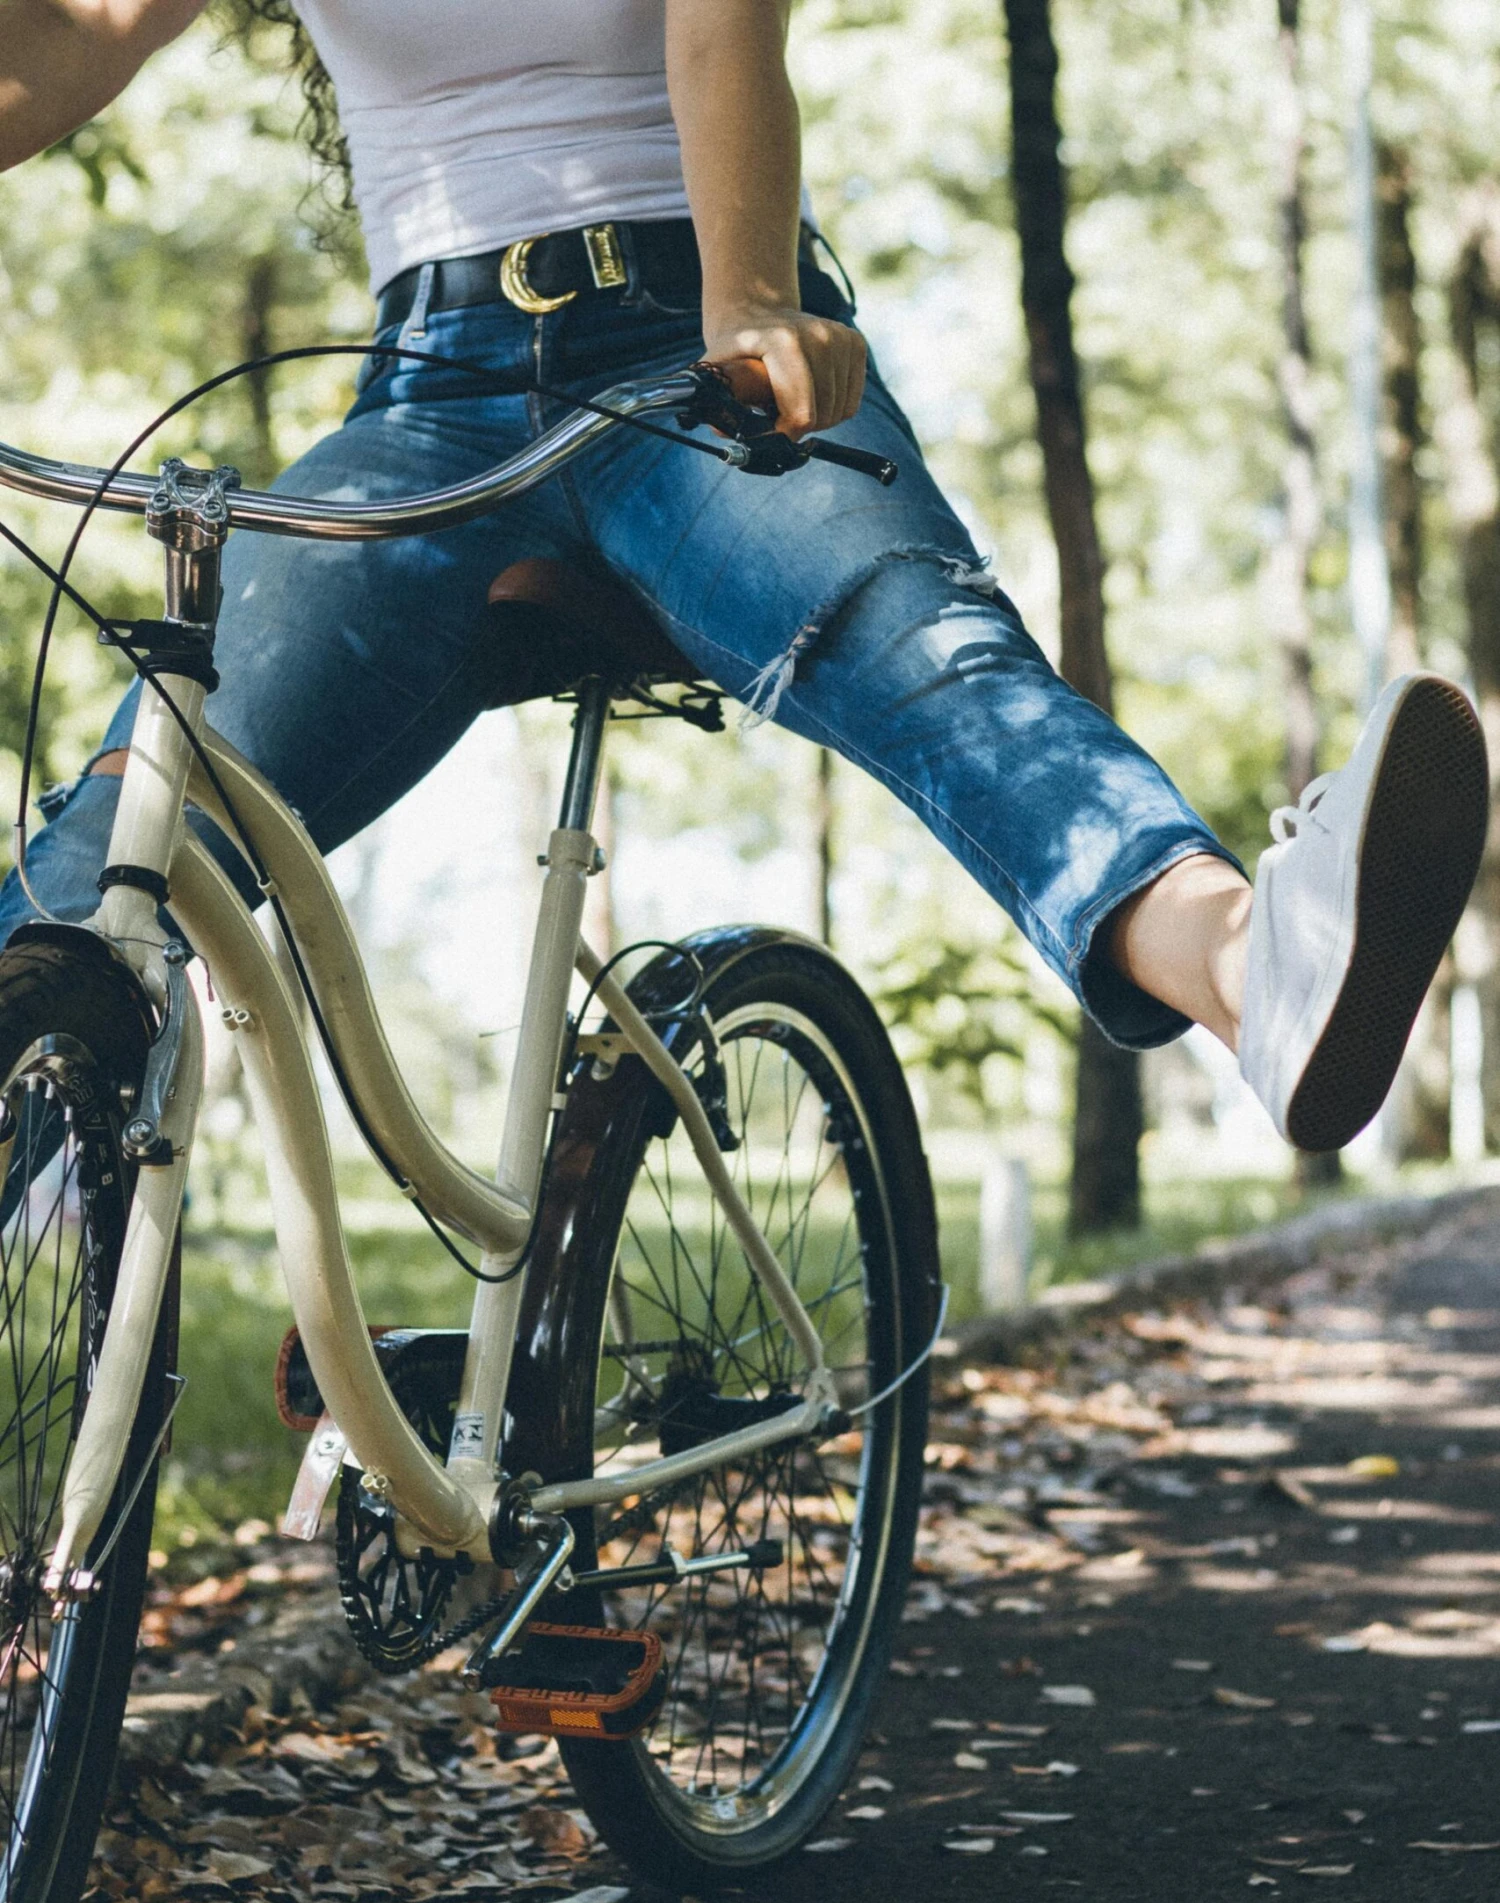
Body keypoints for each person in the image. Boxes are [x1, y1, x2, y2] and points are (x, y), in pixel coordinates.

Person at [0, 0, 1488, 1155]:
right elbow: (65, 41)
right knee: (124, 842)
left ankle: (1257, 967)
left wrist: (752, 297)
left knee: (926, 657)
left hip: (686, 338)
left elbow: (723, 32)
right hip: (424, 397)